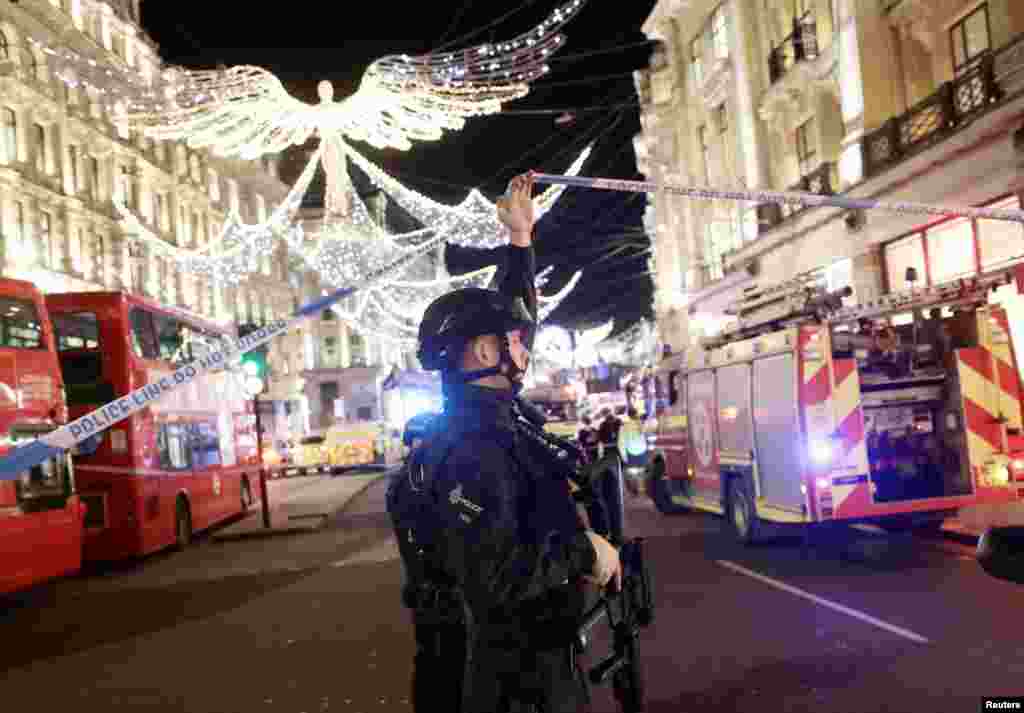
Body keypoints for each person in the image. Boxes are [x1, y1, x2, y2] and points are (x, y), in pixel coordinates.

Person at [410, 175, 621, 713]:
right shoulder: (468, 448)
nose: (526, 348)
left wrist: (520, 242)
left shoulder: (494, 416)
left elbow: (510, 312)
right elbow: (493, 577)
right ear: (484, 351)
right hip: (516, 686)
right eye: (515, 343)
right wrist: (582, 551)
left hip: (538, 669)